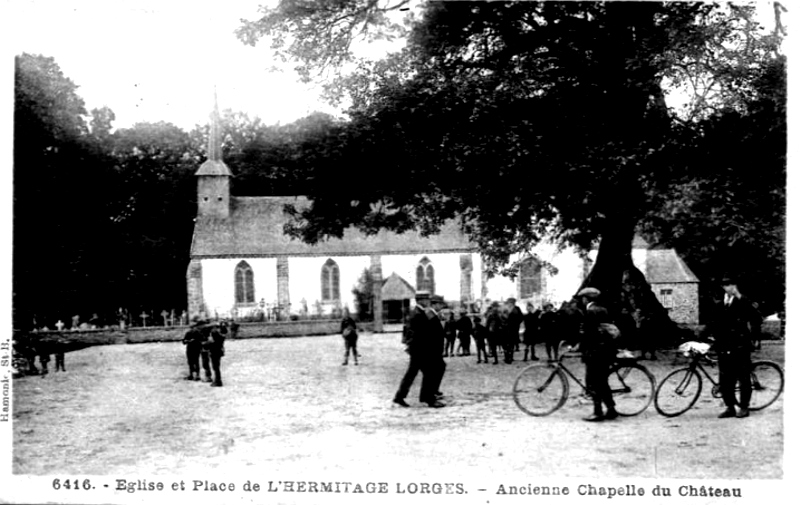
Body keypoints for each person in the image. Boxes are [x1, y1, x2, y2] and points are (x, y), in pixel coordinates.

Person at [711, 275, 760, 419]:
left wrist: (755, 338)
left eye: (730, 285)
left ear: (735, 286)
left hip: (740, 346)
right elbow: (714, 323)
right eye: (725, 285)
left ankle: (744, 407)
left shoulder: (743, 301)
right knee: (725, 378)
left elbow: (756, 318)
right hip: (723, 345)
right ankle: (730, 407)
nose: (728, 288)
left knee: (743, 377)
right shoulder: (720, 304)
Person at [393, 292, 446, 408]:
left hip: (417, 350)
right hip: (420, 350)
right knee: (428, 373)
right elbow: (422, 334)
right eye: (426, 299)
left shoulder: (417, 312)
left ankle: (400, 397)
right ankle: (428, 399)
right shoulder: (418, 314)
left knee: (413, 374)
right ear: (421, 300)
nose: (428, 302)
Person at [575, 287, 619, 422]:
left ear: (586, 299)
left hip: (595, 352)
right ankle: (611, 409)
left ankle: (598, 412)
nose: (581, 301)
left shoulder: (590, 311)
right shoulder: (603, 309)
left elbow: (589, 333)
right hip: (606, 351)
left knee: (594, 382)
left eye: (582, 298)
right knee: (602, 381)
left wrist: (578, 346)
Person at [204, 321, 226, 387]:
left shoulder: (213, 333)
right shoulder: (219, 334)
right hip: (218, 351)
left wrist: (205, 344)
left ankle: (218, 381)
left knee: (215, 367)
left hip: (214, 351)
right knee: (217, 367)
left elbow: (211, 343)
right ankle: (217, 380)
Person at [504, 298, 523, 364]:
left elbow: (521, 317)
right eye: (509, 302)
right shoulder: (505, 309)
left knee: (511, 343)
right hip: (505, 329)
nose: (510, 303)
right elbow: (501, 317)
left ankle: (510, 357)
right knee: (506, 344)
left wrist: (516, 323)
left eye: (512, 302)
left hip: (513, 329)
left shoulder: (517, 309)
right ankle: (506, 357)